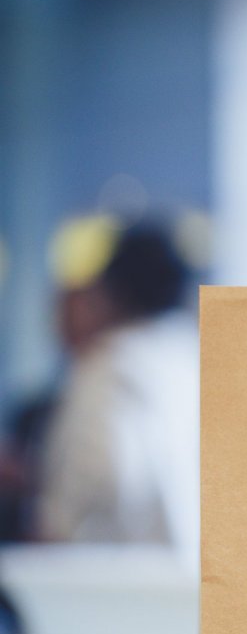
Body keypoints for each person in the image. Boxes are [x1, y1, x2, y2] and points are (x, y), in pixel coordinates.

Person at [37, 217, 200, 571]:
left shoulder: (109, 366)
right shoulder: (194, 359)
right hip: (197, 575)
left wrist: (54, 529)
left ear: (112, 291)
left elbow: (95, 479)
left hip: (122, 582)